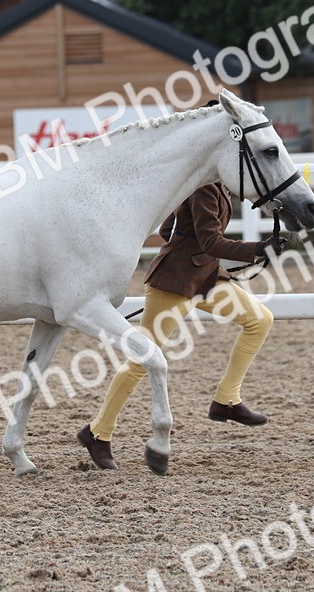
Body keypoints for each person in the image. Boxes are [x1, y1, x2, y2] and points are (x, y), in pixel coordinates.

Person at [78, 179, 284, 470]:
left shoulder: (214, 184)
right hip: (174, 283)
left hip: (205, 278)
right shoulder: (205, 188)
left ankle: (226, 400)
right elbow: (211, 241)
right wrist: (258, 248)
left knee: (259, 319)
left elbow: (168, 230)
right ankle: (97, 433)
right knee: (141, 361)